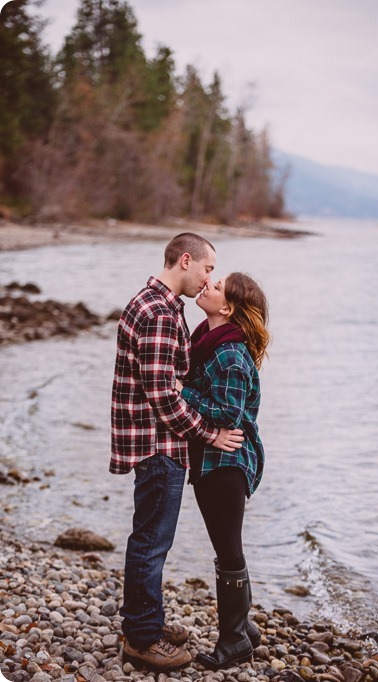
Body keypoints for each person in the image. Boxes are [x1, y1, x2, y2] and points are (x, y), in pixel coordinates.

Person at [110, 233, 244, 673]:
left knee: (148, 539)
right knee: (151, 543)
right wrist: (210, 433)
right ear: (186, 260)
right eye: (207, 269)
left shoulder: (156, 305)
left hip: (155, 444)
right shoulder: (159, 314)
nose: (208, 279)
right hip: (158, 446)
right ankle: (142, 639)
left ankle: (143, 622)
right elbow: (164, 397)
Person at [179, 271, 270, 671]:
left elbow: (227, 415)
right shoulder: (210, 341)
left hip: (227, 463)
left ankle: (233, 640)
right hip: (214, 461)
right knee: (226, 549)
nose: (207, 286)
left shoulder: (229, 353)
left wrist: (179, 388)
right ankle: (244, 628)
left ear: (228, 307)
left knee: (228, 551)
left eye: (216, 287)